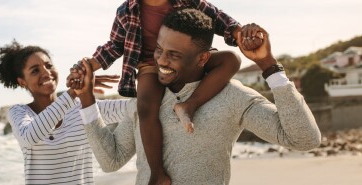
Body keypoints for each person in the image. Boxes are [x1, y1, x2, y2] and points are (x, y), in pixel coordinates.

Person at [74, 9, 321, 185]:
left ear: (203, 58)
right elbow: (111, 161)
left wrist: (268, 64)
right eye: (159, 50)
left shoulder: (232, 96)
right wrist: (87, 99)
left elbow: (304, 139)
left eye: (174, 54)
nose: (160, 61)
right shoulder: (146, 101)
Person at [0, 41, 124, 184]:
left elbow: (133, 109)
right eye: (35, 71)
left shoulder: (82, 107)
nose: (46, 72)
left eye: (49, 66)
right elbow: (29, 136)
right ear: (22, 81)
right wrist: (74, 91)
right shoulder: (19, 112)